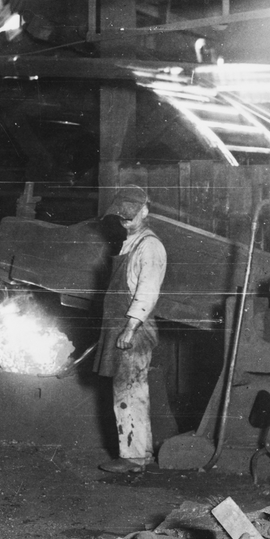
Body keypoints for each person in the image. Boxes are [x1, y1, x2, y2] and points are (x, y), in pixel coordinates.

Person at [95, 185, 168, 474]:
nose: (125, 222)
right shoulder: (131, 242)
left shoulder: (149, 246)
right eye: (121, 217)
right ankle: (139, 454)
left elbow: (147, 292)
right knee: (130, 390)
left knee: (129, 391)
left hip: (133, 330)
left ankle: (133, 458)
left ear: (145, 211)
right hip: (123, 328)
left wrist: (129, 329)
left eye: (130, 216)